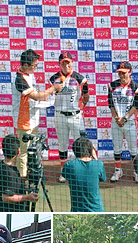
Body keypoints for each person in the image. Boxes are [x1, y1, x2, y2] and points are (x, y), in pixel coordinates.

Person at [12, 49, 63, 178]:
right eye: (33, 66)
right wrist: (53, 88)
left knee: (32, 150)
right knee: (23, 151)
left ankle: (29, 174)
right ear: (25, 65)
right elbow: (35, 96)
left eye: (36, 65)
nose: (35, 68)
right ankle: (22, 179)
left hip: (33, 118)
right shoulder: (19, 79)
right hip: (24, 121)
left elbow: (35, 96)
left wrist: (44, 97)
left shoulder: (30, 75)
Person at [49, 52, 90, 183]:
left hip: (75, 116)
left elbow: (86, 96)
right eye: (63, 62)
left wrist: (80, 108)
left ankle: (81, 170)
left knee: (80, 144)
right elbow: (49, 96)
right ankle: (63, 171)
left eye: (68, 62)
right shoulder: (53, 79)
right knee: (62, 144)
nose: (66, 65)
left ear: (72, 63)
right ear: (59, 64)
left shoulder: (80, 78)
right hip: (60, 114)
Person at [108, 61, 138, 183]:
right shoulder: (112, 86)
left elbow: (135, 106)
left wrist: (125, 118)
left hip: (130, 122)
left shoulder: (136, 87)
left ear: (130, 72)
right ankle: (118, 170)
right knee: (117, 148)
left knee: (133, 149)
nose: (122, 76)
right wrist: (116, 117)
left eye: (124, 73)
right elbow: (111, 104)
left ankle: (137, 171)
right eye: (120, 73)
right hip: (116, 122)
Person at [0, 134, 38, 211]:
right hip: (13, 210)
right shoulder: (9, 172)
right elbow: (5, 197)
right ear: (18, 151)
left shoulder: (1, 165)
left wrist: (23, 185)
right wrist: (27, 197)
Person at [61, 136, 106, 212]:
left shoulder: (69, 165)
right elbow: (102, 178)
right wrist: (95, 157)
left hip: (77, 210)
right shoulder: (99, 164)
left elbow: (65, 175)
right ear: (91, 150)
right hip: (97, 210)